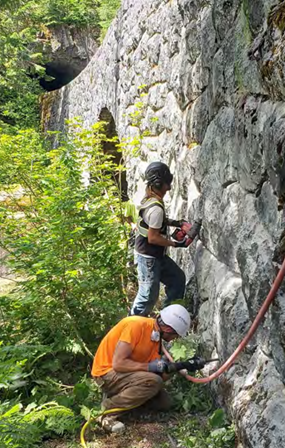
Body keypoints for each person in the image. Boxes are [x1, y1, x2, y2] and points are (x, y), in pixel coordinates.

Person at [91, 304, 204, 433]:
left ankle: (122, 399)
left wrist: (184, 365)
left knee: (164, 402)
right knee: (153, 382)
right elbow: (118, 364)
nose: (175, 339)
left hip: (127, 374)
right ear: (167, 329)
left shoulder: (156, 339)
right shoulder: (135, 325)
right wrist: (149, 367)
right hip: (106, 373)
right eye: (175, 335)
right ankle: (106, 413)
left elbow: (161, 374)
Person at [131, 162, 192, 316]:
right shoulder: (156, 208)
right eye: (167, 184)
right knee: (148, 297)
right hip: (149, 258)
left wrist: (177, 223)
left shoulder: (150, 200)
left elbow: (155, 222)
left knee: (177, 279)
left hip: (155, 255)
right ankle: (131, 327)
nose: (169, 188)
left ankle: (168, 319)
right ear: (159, 183)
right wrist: (176, 243)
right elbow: (153, 238)